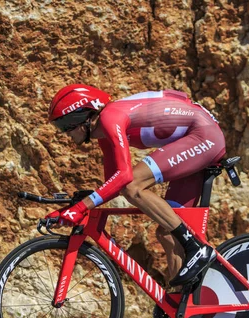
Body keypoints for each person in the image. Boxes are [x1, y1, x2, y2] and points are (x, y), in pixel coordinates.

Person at [45, 84, 226, 289]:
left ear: (83, 116)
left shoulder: (109, 117)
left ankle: (196, 248)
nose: (65, 133)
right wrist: (72, 208)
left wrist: (81, 208)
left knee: (133, 186)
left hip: (204, 136)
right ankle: (183, 308)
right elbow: (112, 184)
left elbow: (124, 178)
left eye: (65, 125)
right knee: (168, 233)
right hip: (196, 140)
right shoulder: (103, 134)